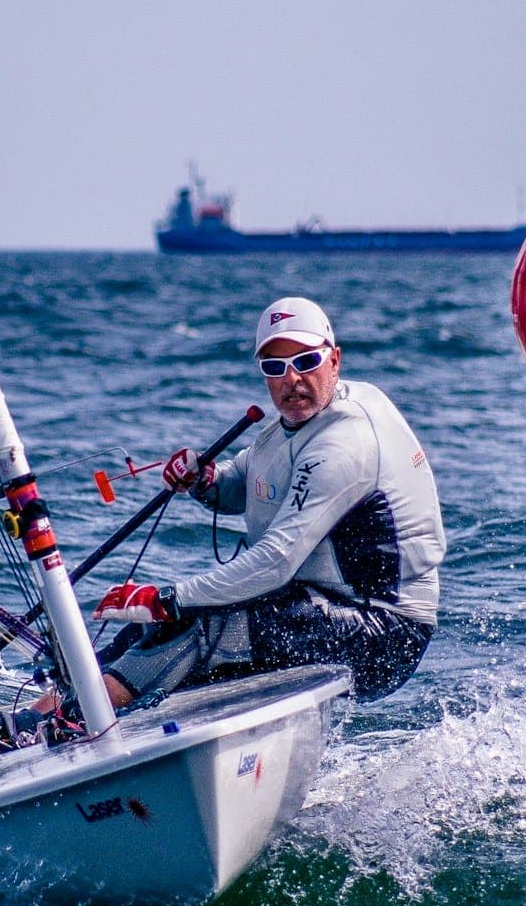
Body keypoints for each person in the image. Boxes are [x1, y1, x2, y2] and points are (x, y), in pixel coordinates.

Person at [72, 294, 445, 721]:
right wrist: (206, 480)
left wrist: (171, 598)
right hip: (312, 606)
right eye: (275, 368)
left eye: (305, 362)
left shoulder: (345, 444)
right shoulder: (298, 424)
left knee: (198, 622)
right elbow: (250, 481)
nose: (292, 380)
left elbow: (275, 562)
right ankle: (59, 703)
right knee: (154, 627)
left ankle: (72, 719)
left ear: (335, 360)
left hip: (383, 634)